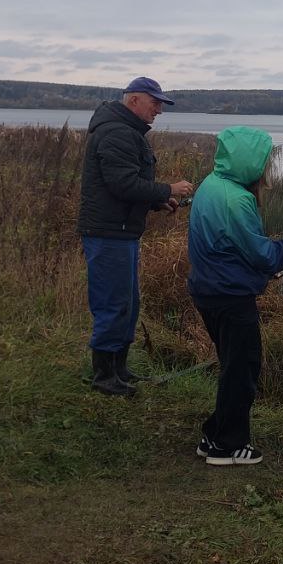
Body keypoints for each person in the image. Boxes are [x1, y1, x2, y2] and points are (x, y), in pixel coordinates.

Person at [186, 125, 283, 465]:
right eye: (264, 161)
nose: (267, 168)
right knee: (242, 371)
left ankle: (213, 434)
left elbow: (228, 248)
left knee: (232, 368)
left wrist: (261, 270)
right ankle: (227, 446)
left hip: (209, 292)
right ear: (250, 163)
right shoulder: (238, 200)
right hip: (229, 299)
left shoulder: (211, 186)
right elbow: (264, 254)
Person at [78, 76, 194, 396]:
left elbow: (125, 187)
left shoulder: (127, 131)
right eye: (155, 103)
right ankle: (104, 377)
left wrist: (158, 201)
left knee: (128, 302)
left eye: (161, 104)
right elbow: (123, 185)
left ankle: (119, 368)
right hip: (108, 233)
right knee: (113, 304)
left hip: (123, 232)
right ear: (134, 101)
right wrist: (168, 188)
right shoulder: (116, 133)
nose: (159, 110)